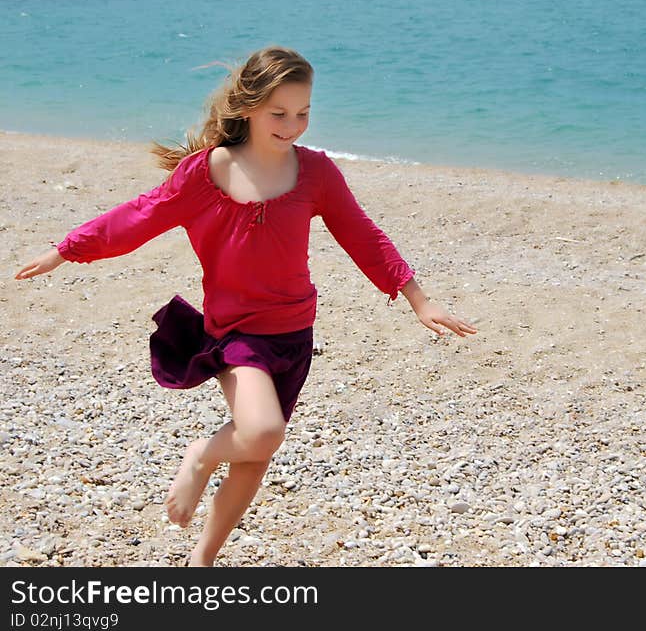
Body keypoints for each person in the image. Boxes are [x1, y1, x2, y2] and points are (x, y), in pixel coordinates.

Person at [14, 45, 477, 567]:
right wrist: (66, 249)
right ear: (249, 106)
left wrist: (417, 298)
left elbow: (362, 235)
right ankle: (199, 456)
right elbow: (137, 217)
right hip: (235, 334)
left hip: (294, 332)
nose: (292, 125)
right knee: (261, 431)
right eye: (279, 113)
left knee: (255, 456)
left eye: (303, 113)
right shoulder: (204, 173)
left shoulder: (316, 173)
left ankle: (200, 564)